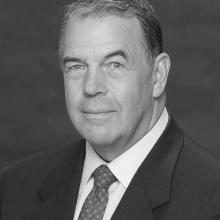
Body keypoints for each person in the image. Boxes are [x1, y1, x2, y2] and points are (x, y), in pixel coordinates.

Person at [1, 0, 220, 219]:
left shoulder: (211, 200)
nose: (91, 87)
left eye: (114, 65)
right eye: (77, 66)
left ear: (158, 75)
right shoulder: (14, 188)